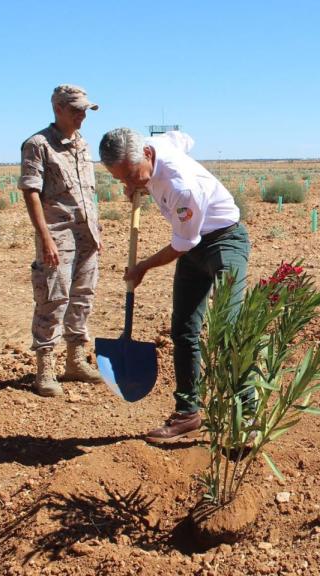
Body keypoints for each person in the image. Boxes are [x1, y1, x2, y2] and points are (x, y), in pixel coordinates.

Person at [98, 128, 251, 444]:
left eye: (131, 175)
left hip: (224, 242)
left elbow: (182, 244)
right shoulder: (155, 146)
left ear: (148, 155)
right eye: (121, 180)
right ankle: (188, 412)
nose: (129, 185)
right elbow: (181, 137)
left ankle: (247, 417)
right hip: (194, 247)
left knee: (228, 330)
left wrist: (142, 267)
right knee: (183, 329)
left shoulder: (182, 188)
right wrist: (136, 184)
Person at [18, 85, 104, 396]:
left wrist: (96, 230)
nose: (83, 115)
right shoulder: (38, 145)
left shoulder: (82, 145)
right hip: (57, 235)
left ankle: (75, 361)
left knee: (83, 297)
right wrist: (45, 238)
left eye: (85, 110)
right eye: (77, 109)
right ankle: (45, 368)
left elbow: (88, 191)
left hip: (87, 236)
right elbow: (31, 192)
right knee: (53, 298)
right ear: (58, 109)